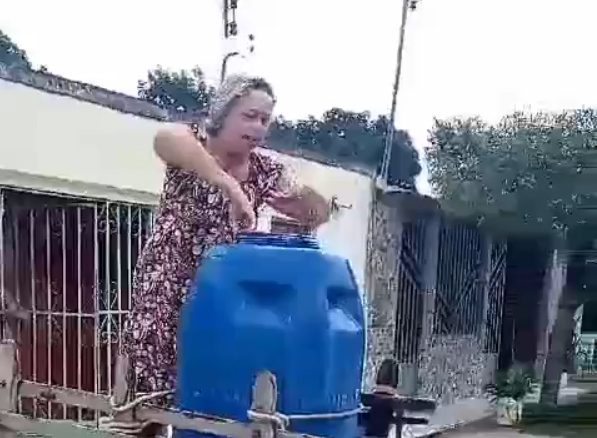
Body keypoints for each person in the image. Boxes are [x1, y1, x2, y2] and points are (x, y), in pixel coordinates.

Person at [121, 74, 331, 411]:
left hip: (221, 294)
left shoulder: (264, 169)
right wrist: (229, 186)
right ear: (222, 113)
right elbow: (163, 138)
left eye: (265, 120)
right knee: (150, 397)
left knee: (212, 394)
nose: (258, 127)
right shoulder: (194, 144)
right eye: (249, 116)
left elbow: (318, 212)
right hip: (166, 287)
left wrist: (304, 200)